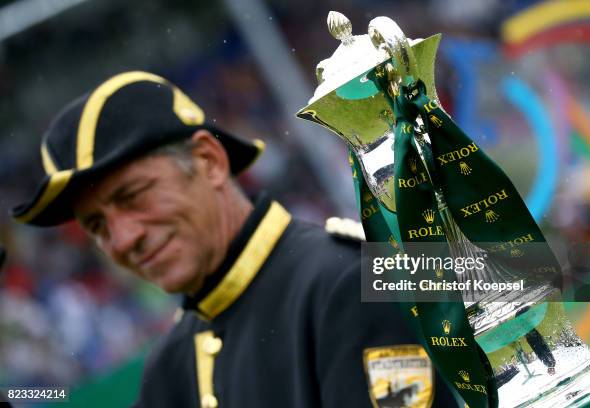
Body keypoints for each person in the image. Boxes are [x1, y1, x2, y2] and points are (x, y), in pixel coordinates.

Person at [11, 71, 456, 407]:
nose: (123, 239)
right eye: (97, 227)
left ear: (209, 161)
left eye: (134, 196)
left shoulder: (354, 282)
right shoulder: (166, 368)